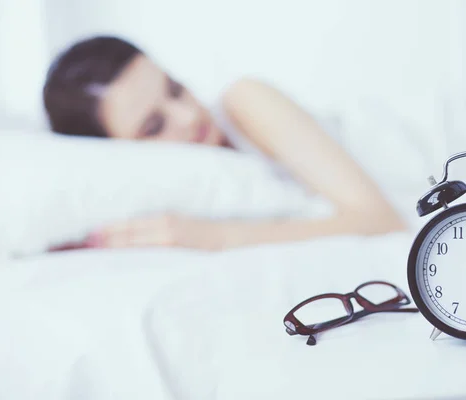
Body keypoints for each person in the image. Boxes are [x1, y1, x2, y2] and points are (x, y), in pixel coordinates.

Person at [42, 35, 406, 251]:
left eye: (176, 89)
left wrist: (215, 236)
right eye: (154, 126)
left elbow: (382, 220)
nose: (187, 117)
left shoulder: (244, 99)